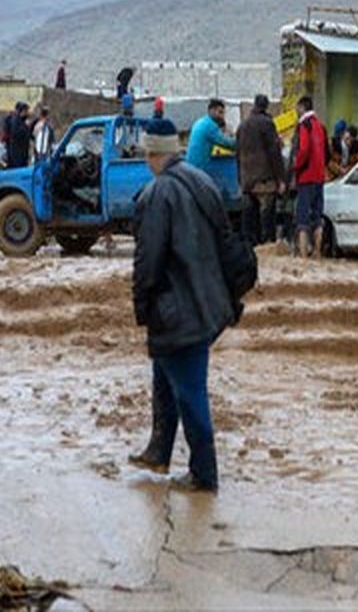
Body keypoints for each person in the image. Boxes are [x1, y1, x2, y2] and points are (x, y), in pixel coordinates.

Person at [128, 117, 235, 493]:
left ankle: (204, 475)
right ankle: (159, 450)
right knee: (164, 378)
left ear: (152, 153)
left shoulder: (157, 195)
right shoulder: (201, 180)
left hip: (178, 311)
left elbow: (147, 264)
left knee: (190, 392)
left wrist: (141, 308)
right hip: (206, 303)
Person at [236, 94, 285, 244]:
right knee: (267, 217)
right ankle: (267, 248)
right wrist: (281, 179)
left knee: (250, 219)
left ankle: (251, 248)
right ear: (266, 106)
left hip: (247, 180)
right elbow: (274, 153)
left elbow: (237, 153)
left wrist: (240, 178)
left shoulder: (242, 125)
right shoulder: (267, 123)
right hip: (265, 180)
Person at [291, 95, 328, 258]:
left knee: (303, 219)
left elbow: (304, 150)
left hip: (306, 177)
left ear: (302, 107)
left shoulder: (303, 125)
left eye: (297, 108)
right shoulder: (320, 126)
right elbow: (327, 153)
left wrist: (296, 165)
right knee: (317, 217)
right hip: (320, 177)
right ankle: (318, 252)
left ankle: (304, 257)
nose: (296, 111)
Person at [187, 98, 236, 170]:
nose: (222, 117)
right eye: (220, 112)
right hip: (198, 166)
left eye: (223, 113)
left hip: (190, 164)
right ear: (211, 111)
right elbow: (227, 143)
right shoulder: (210, 126)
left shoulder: (201, 121)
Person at [2, 102, 32, 168]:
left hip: (20, 152)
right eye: (26, 111)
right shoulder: (16, 120)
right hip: (17, 153)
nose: (28, 113)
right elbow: (17, 133)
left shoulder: (20, 120)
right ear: (23, 111)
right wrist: (26, 126)